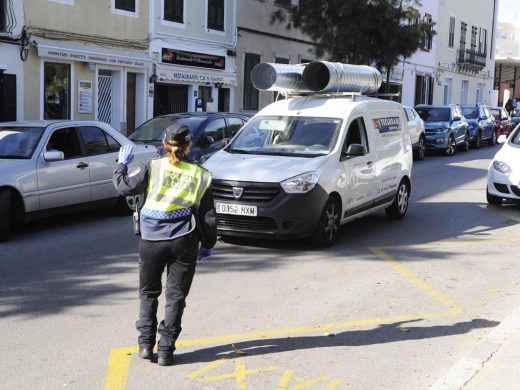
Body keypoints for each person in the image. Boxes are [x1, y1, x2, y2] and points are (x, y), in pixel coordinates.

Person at [112, 125, 217, 366]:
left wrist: (121, 165)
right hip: (184, 239)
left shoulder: (152, 166)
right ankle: (166, 351)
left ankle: (146, 345)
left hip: (151, 239)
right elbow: (208, 215)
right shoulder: (201, 173)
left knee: (148, 293)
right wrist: (209, 243)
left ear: (164, 143)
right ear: (189, 145)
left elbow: (123, 187)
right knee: (176, 297)